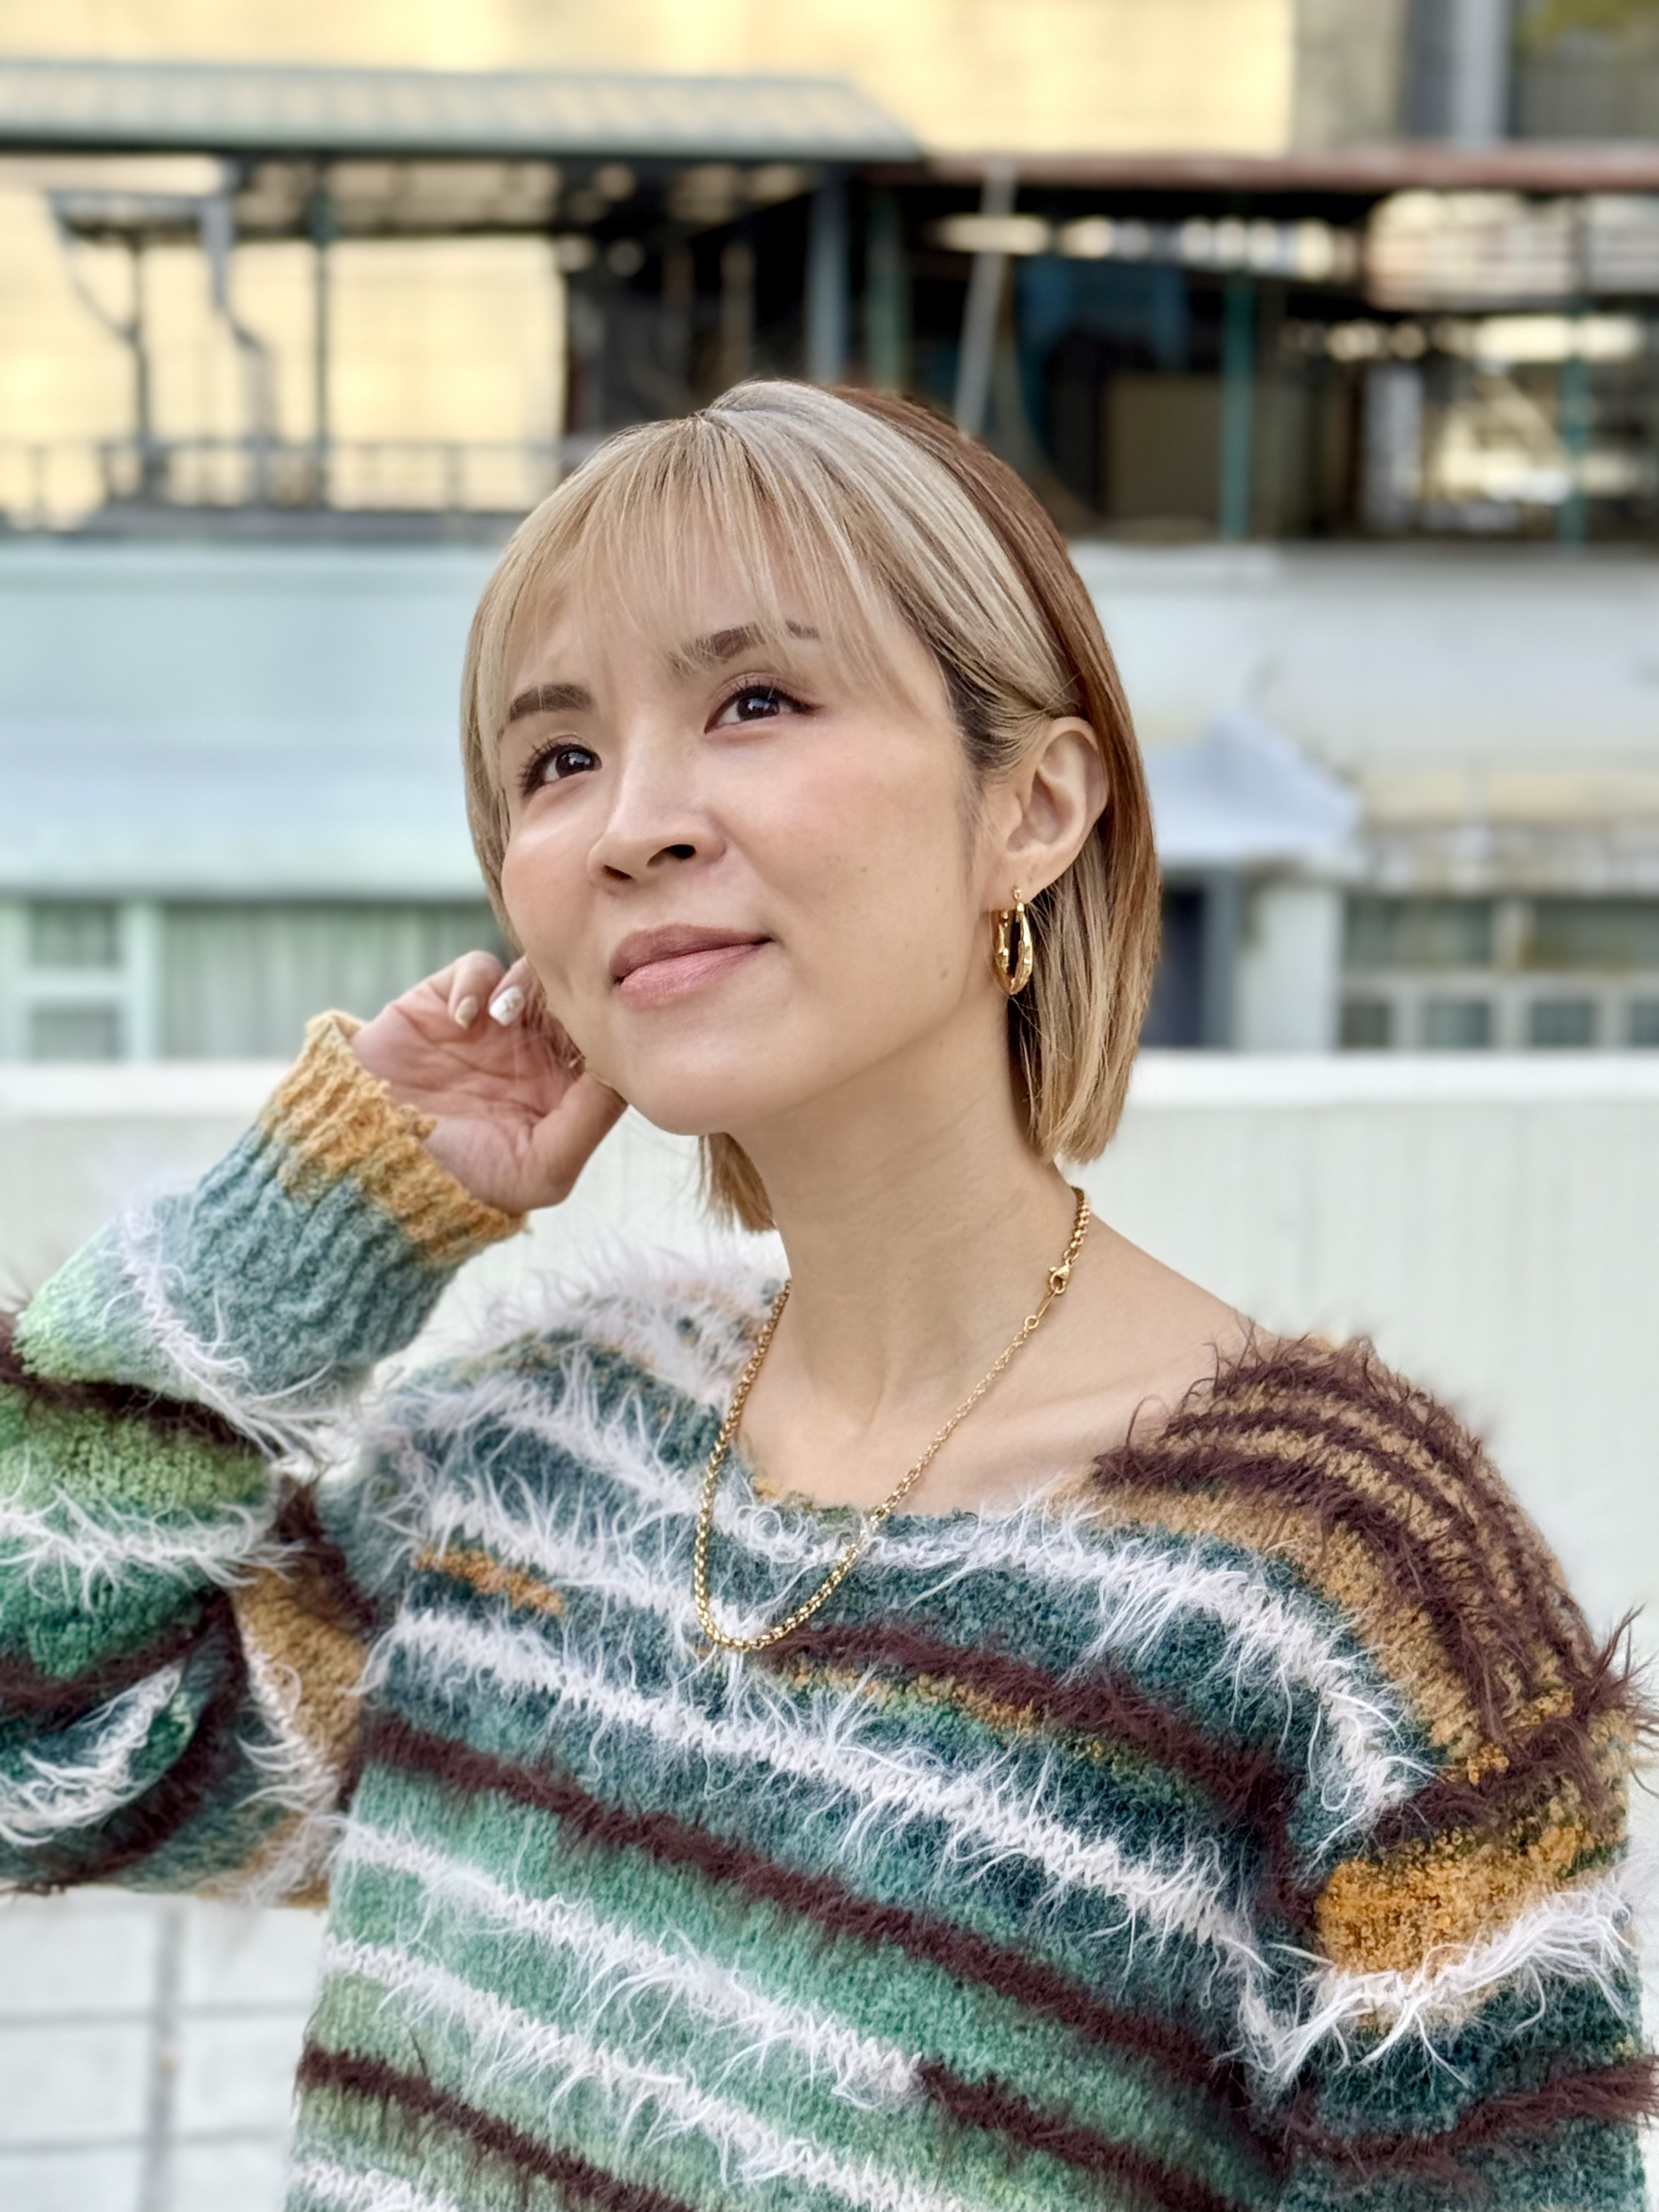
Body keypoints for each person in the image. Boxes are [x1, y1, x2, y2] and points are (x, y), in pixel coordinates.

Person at [1, 382, 1650, 2212]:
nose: (632, 824)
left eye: (757, 703)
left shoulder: (1335, 1599)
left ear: (1033, 806)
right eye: (558, 760)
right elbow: (37, 1740)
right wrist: (324, 1210)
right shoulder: (533, 1454)